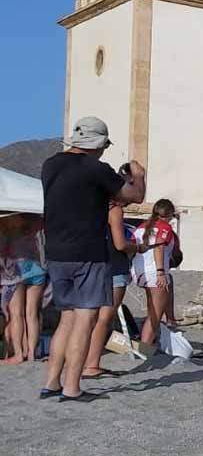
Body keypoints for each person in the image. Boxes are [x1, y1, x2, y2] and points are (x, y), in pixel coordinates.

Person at [41, 117, 146, 402]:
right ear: (98, 145)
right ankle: (72, 387)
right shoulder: (97, 169)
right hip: (87, 252)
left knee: (67, 318)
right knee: (86, 319)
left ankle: (51, 382)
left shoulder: (50, 165)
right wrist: (138, 174)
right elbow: (134, 196)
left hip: (56, 252)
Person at [83, 165, 143, 378]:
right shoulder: (115, 210)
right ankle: (91, 364)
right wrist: (135, 248)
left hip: (93, 264)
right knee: (103, 318)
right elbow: (119, 244)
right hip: (114, 266)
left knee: (86, 317)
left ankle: (78, 361)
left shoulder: (94, 206)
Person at [131, 199, 177, 346]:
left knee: (152, 307)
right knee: (154, 314)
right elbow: (159, 248)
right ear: (169, 214)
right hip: (154, 272)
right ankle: (145, 346)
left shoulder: (140, 227)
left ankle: (150, 340)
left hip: (139, 271)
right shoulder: (165, 228)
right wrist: (160, 272)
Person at [1, 214, 46, 363]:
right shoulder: (36, 218)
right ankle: (32, 353)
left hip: (15, 269)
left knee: (16, 314)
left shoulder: (5, 221)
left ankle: (19, 354)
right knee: (32, 313)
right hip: (36, 266)